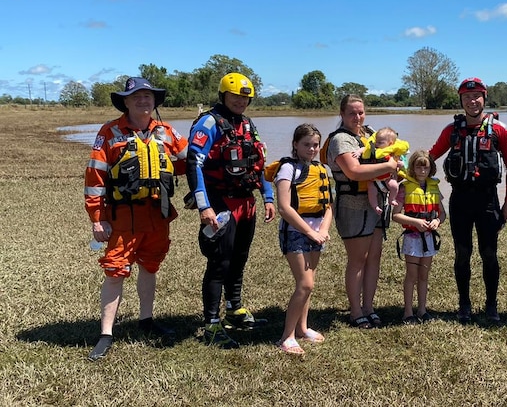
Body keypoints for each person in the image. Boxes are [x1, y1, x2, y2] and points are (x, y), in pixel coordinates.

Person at [84, 77, 189, 361]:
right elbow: (95, 178)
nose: (144, 101)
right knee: (115, 272)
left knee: (150, 267)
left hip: (158, 216)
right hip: (122, 218)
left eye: (148, 97)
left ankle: (146, 320)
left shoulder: (167, 132)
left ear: (155, 102)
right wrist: (97, 218)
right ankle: (106, 334)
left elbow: (189, 160)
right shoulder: (109, 133)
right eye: (137, 97)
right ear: (126, 102)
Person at [186, 72, 276, 349]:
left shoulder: (247, 123)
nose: (241, 101)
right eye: (236, 96)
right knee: (219, 262)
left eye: (245, 97)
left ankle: (234, 308)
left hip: (246, 202)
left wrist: (268, 195)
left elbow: (256, 161)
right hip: (220, 202)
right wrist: (204, 206)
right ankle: (212, 325)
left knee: (239, 258)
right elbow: (194, 162)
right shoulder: (209, 122)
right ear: (223, 95)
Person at [429, 77, 507, 325]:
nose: (472, 101)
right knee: (462, 254)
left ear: (484, 99)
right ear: (461, 100)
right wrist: (397, 165)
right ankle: (464, 305)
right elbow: (428, 158)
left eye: (477, 96)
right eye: (467, 97)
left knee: (489, 254)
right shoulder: (452, 130)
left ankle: (491, 306)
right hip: (460, 201)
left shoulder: (500, 130)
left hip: (488, 200)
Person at [322, 94, 400, 329]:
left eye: (361, 112)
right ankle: (356, 312)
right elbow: (354, 171)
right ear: (342, 115)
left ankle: (369, 307)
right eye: (352, 113)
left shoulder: (369, 135)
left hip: (375, 205)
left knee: (374, 258)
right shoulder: (340, 140)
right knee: (358, 260)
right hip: (353, 206)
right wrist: (389, 166)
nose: (357, 117)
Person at [265, 123, 333, 356]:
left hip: (316, 232)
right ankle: (287, 336)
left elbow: (328, 205)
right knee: (305, 284)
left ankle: (302, 329)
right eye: (307, 145)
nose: (312, 149)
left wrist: (323, 229)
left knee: (309, 285)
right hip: (295, 232)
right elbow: (284, 207)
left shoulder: (320, 169)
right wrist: (309, 232)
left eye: (315, 145)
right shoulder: (287, 169)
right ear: (295, 144)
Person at [391, 150, 446, 324]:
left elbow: (442, 213)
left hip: (429, 237)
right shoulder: (404, 187)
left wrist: (437, 221)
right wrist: (415, 222)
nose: (422, 171)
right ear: (413, 168)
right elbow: (395, 215)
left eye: (426, 168)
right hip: (412, 238)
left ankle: (422, 310)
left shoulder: (434, 187)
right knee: (412, 275)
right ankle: (408, 312)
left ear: (431, 169)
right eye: (419, 167)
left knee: (424, 275)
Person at [357, 126, 409, 215]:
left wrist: (400, 164)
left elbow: (400, 161)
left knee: (394, 186)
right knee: (372, 191)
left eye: (380, 142)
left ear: (390, 143)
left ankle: (391, 199)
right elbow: (365, 149)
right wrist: (358, 152)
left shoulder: (393, 151)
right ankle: (375, 206)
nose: (376, 144)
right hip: (373, 178)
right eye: (376, 141)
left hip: (387, 177)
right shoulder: (373, 148)